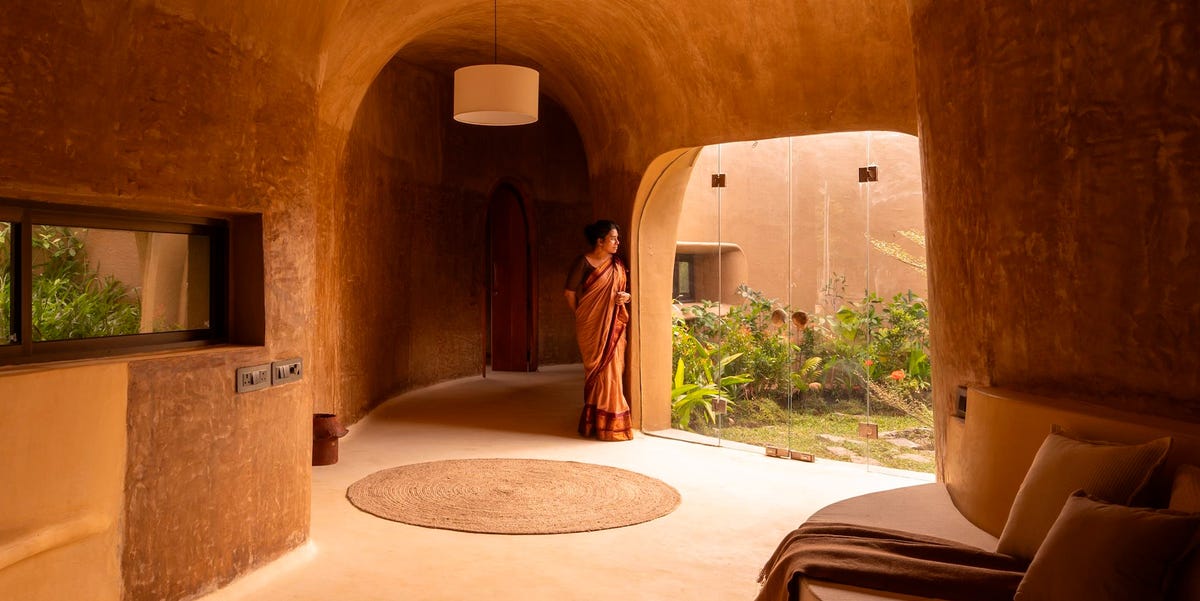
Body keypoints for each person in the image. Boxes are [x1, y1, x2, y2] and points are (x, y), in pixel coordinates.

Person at [564, 220, 633, 441]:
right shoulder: (583, 262)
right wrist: (583, 315)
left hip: (613, 324)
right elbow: (569, 293)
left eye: (618, 238)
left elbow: (624, 290)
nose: (617, 243)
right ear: (600, 241)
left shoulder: (618, 265)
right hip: (590, 325)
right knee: (596, 371)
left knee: (613, 370)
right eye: (613, 238)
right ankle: (598, 421)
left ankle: (610, 423)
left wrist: (626, 297)